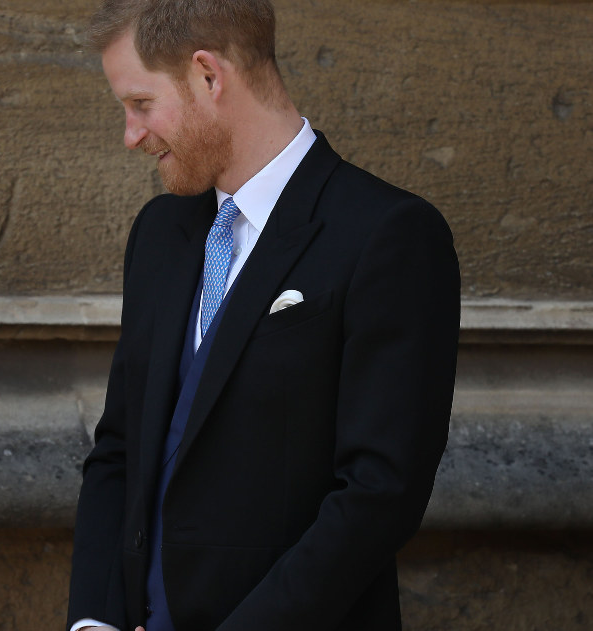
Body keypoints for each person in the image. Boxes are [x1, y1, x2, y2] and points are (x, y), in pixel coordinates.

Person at [67, 2, 460, 630]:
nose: (131, 135)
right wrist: (95, 622)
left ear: (207, 77)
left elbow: (378, 494)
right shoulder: (159, 233)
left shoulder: (388, 235)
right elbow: (120, 448)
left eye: (141, 104)